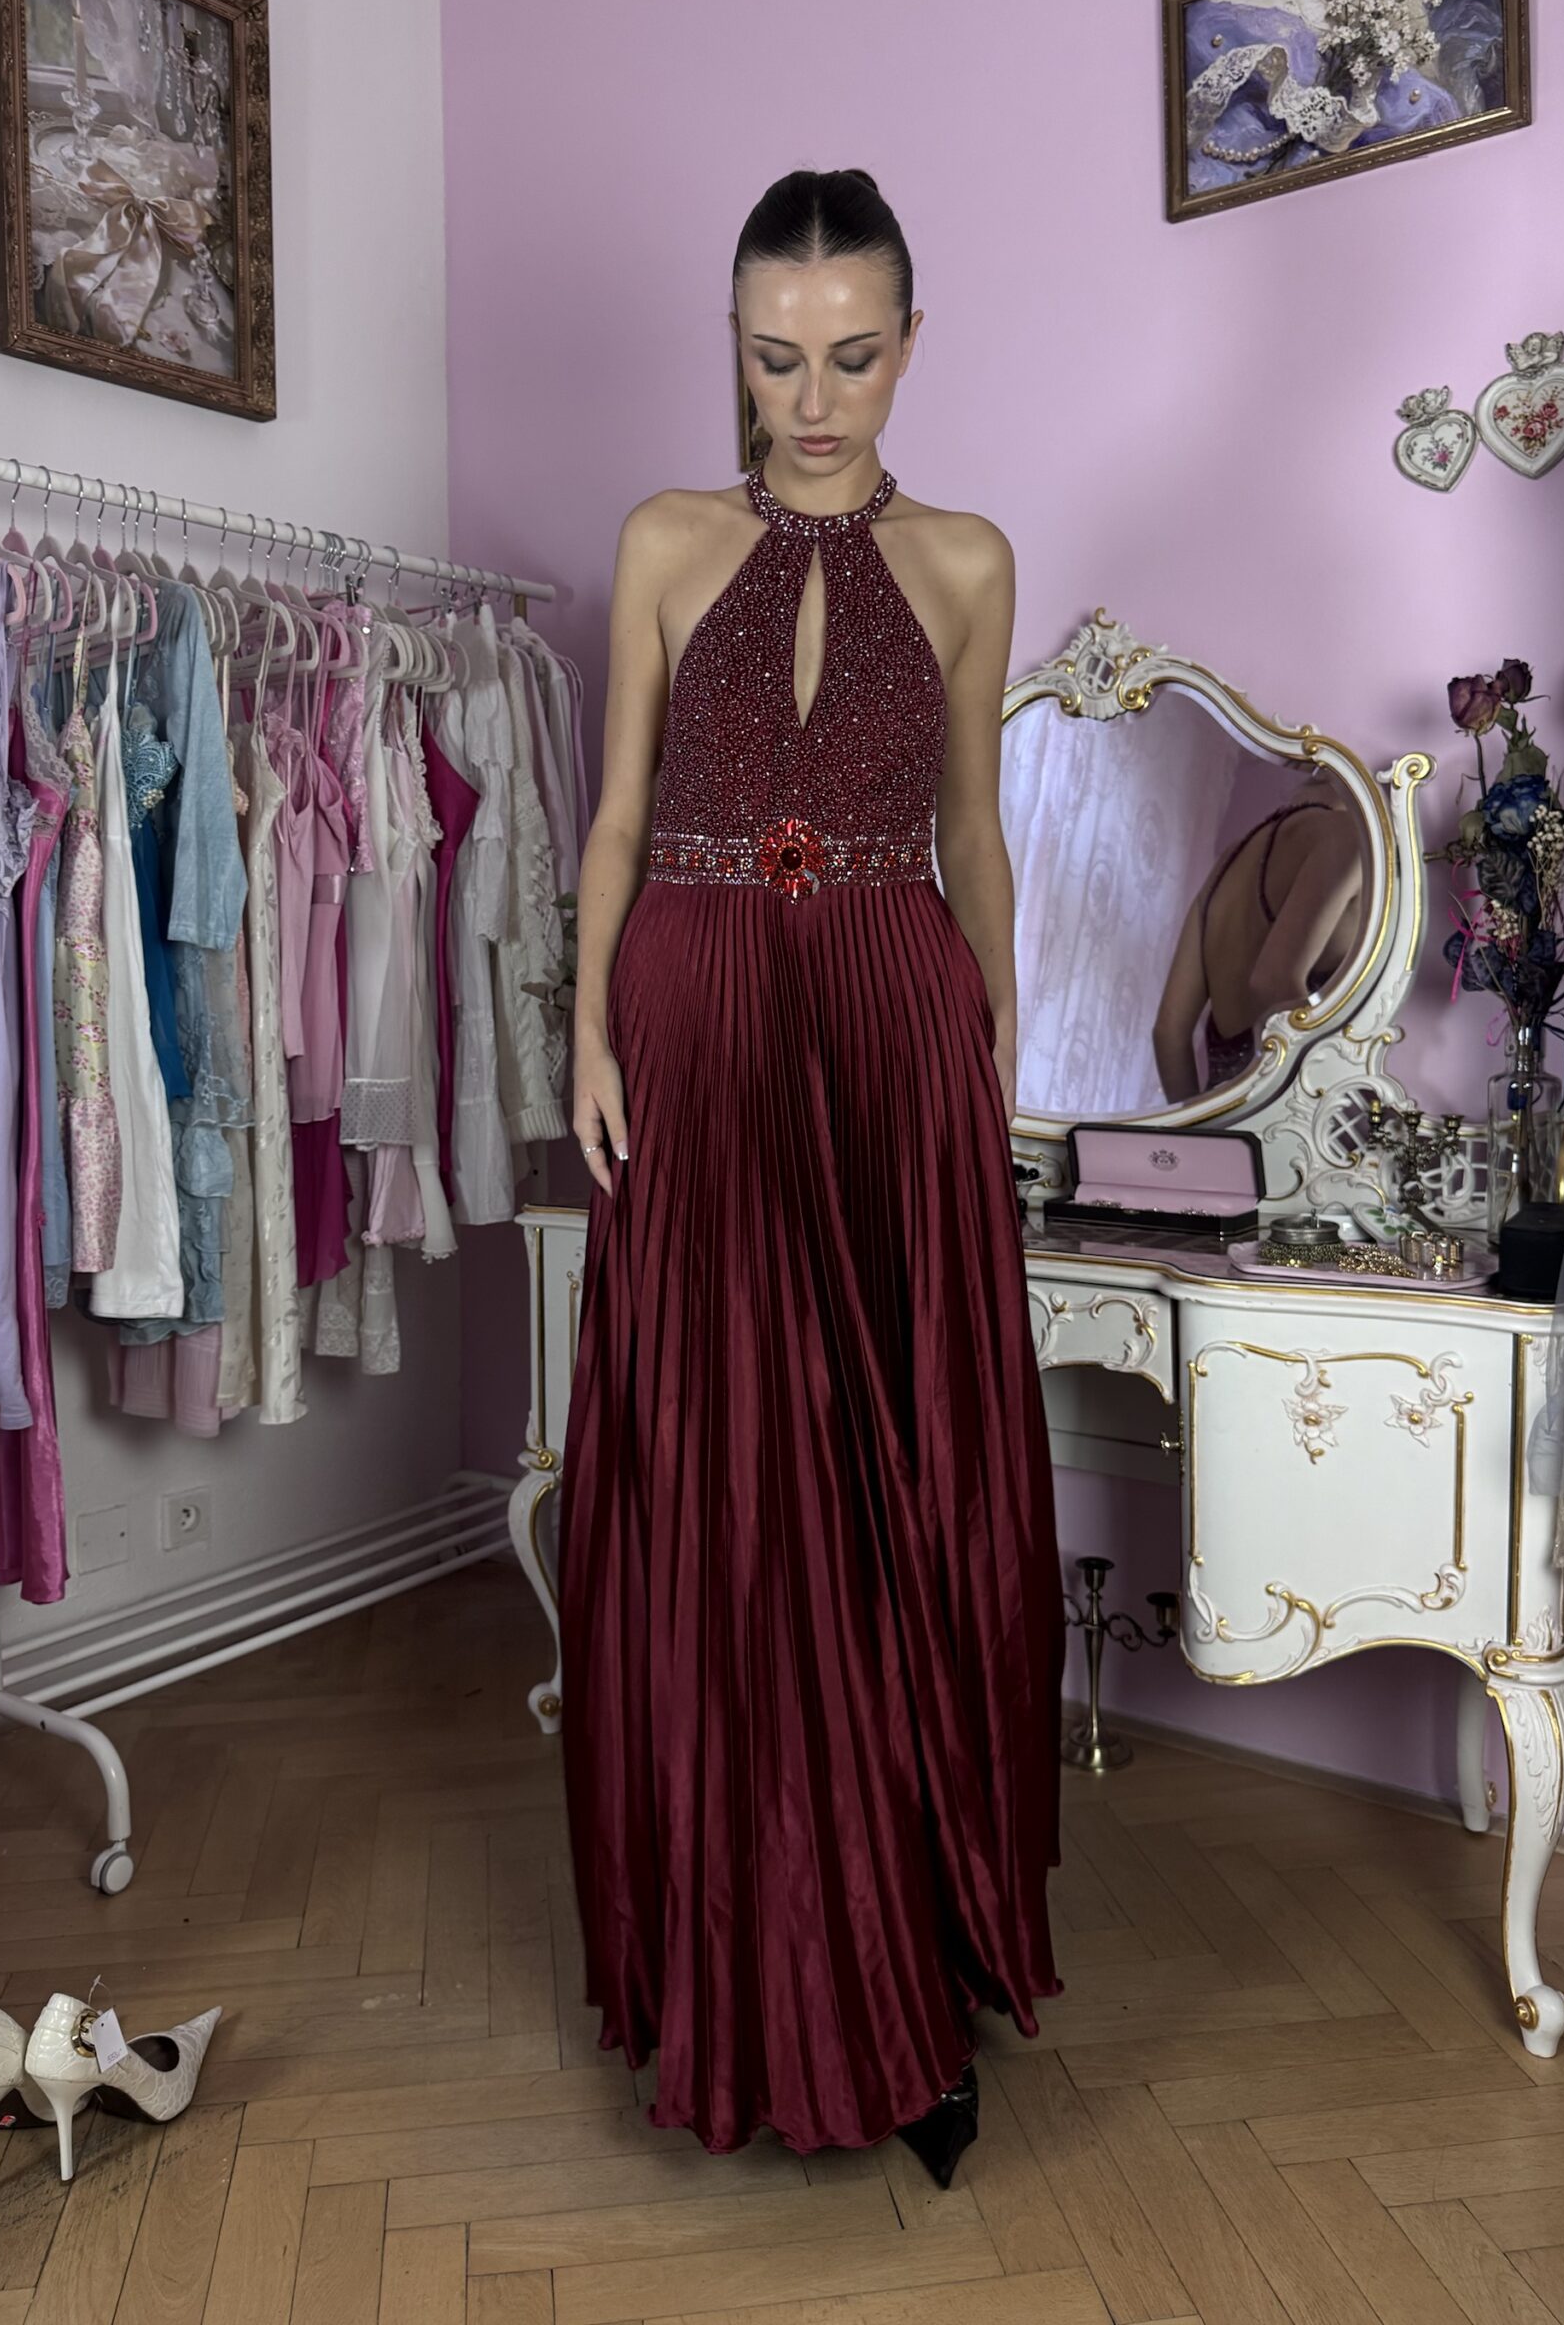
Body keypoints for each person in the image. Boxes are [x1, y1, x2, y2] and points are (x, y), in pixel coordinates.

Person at [557, 168, 1065, 2183]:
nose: (817, 400)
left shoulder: (969, 558)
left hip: (888, 1014)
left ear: (912, 344)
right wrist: (585, 1034)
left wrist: (998, 1045)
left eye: (854, 356)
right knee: (723, 1481)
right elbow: (615, 822)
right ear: (738, 348)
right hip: (692, 1012)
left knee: (896, 1481)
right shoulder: (664, 539)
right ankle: (743, 1963)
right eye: (779, 359)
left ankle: (906, 1971)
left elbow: (974, 832)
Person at [1150, 770, 1365, 1101]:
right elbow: (1273, 981)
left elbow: (1169, 1033)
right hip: (1288, 1115)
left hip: (1224, 1119)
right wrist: (1336, 1098)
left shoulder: (1231, 859)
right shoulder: (1347, 838)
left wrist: (1199, 1123)